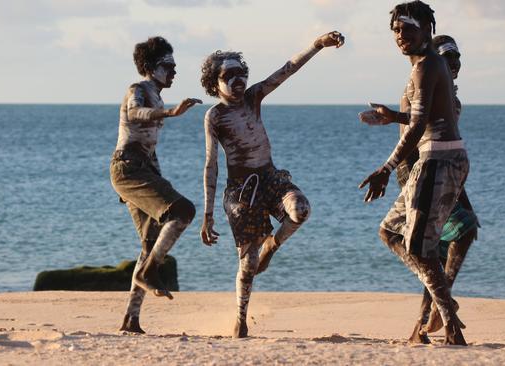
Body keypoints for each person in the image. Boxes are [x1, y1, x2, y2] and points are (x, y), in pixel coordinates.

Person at [199, 31, 345, 338]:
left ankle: (273, 245)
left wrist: (317, 45)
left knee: (301, 209)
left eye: (242, 73)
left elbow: (287, 70)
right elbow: (211, 164)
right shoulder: (214, 116)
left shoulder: (253, 97)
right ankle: (240, 318)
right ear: (215, 83)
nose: (237, 80)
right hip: (241, 192)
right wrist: (208, 214)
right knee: (248, 264)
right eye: (229, 75)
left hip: (270, 177)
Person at [358, 1, 469, 345]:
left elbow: (421, 123)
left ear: (426, 30)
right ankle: (444, 303)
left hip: (439, 162)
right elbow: (426, 115)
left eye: (408, 28)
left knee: (421, 248)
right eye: (396, 29)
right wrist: (394, 116)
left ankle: (450, 326)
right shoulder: (425, 66)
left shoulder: (426, 66)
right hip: (435, 163)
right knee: (390, 231)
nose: (400, 35)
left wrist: (386, 168)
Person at [110, 36, 202, 333]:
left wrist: (159, 177)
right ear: (150, 67)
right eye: (168, 66)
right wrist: (171, 113)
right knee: (184, 210)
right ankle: (149, 273)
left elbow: (149, 147)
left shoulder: (157, 94)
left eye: (175, 67)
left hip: (141, 169)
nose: (174, 72)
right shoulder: (137, 90)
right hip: (127, 170)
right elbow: (135, 113)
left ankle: (130, 320)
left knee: (150, 244)